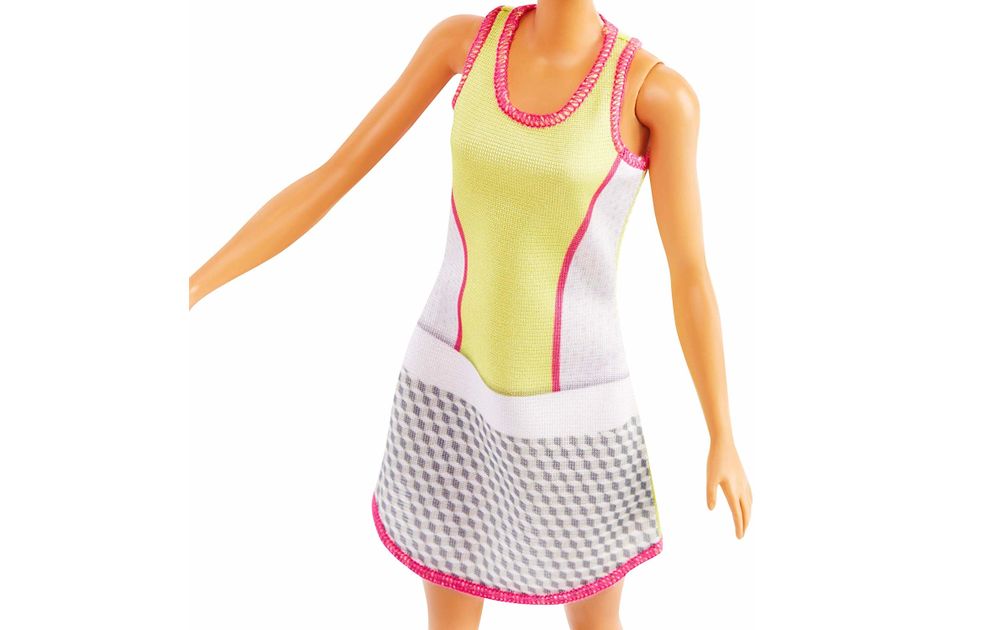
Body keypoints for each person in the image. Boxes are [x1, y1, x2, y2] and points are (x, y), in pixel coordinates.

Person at [190, 3, 752, 628]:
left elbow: (690, 273)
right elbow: (335, 175)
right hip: (451, 392)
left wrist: (721, 433)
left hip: (575, 412)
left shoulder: (655, 96)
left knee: (594, 620)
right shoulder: (465, 45)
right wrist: (193, 285)